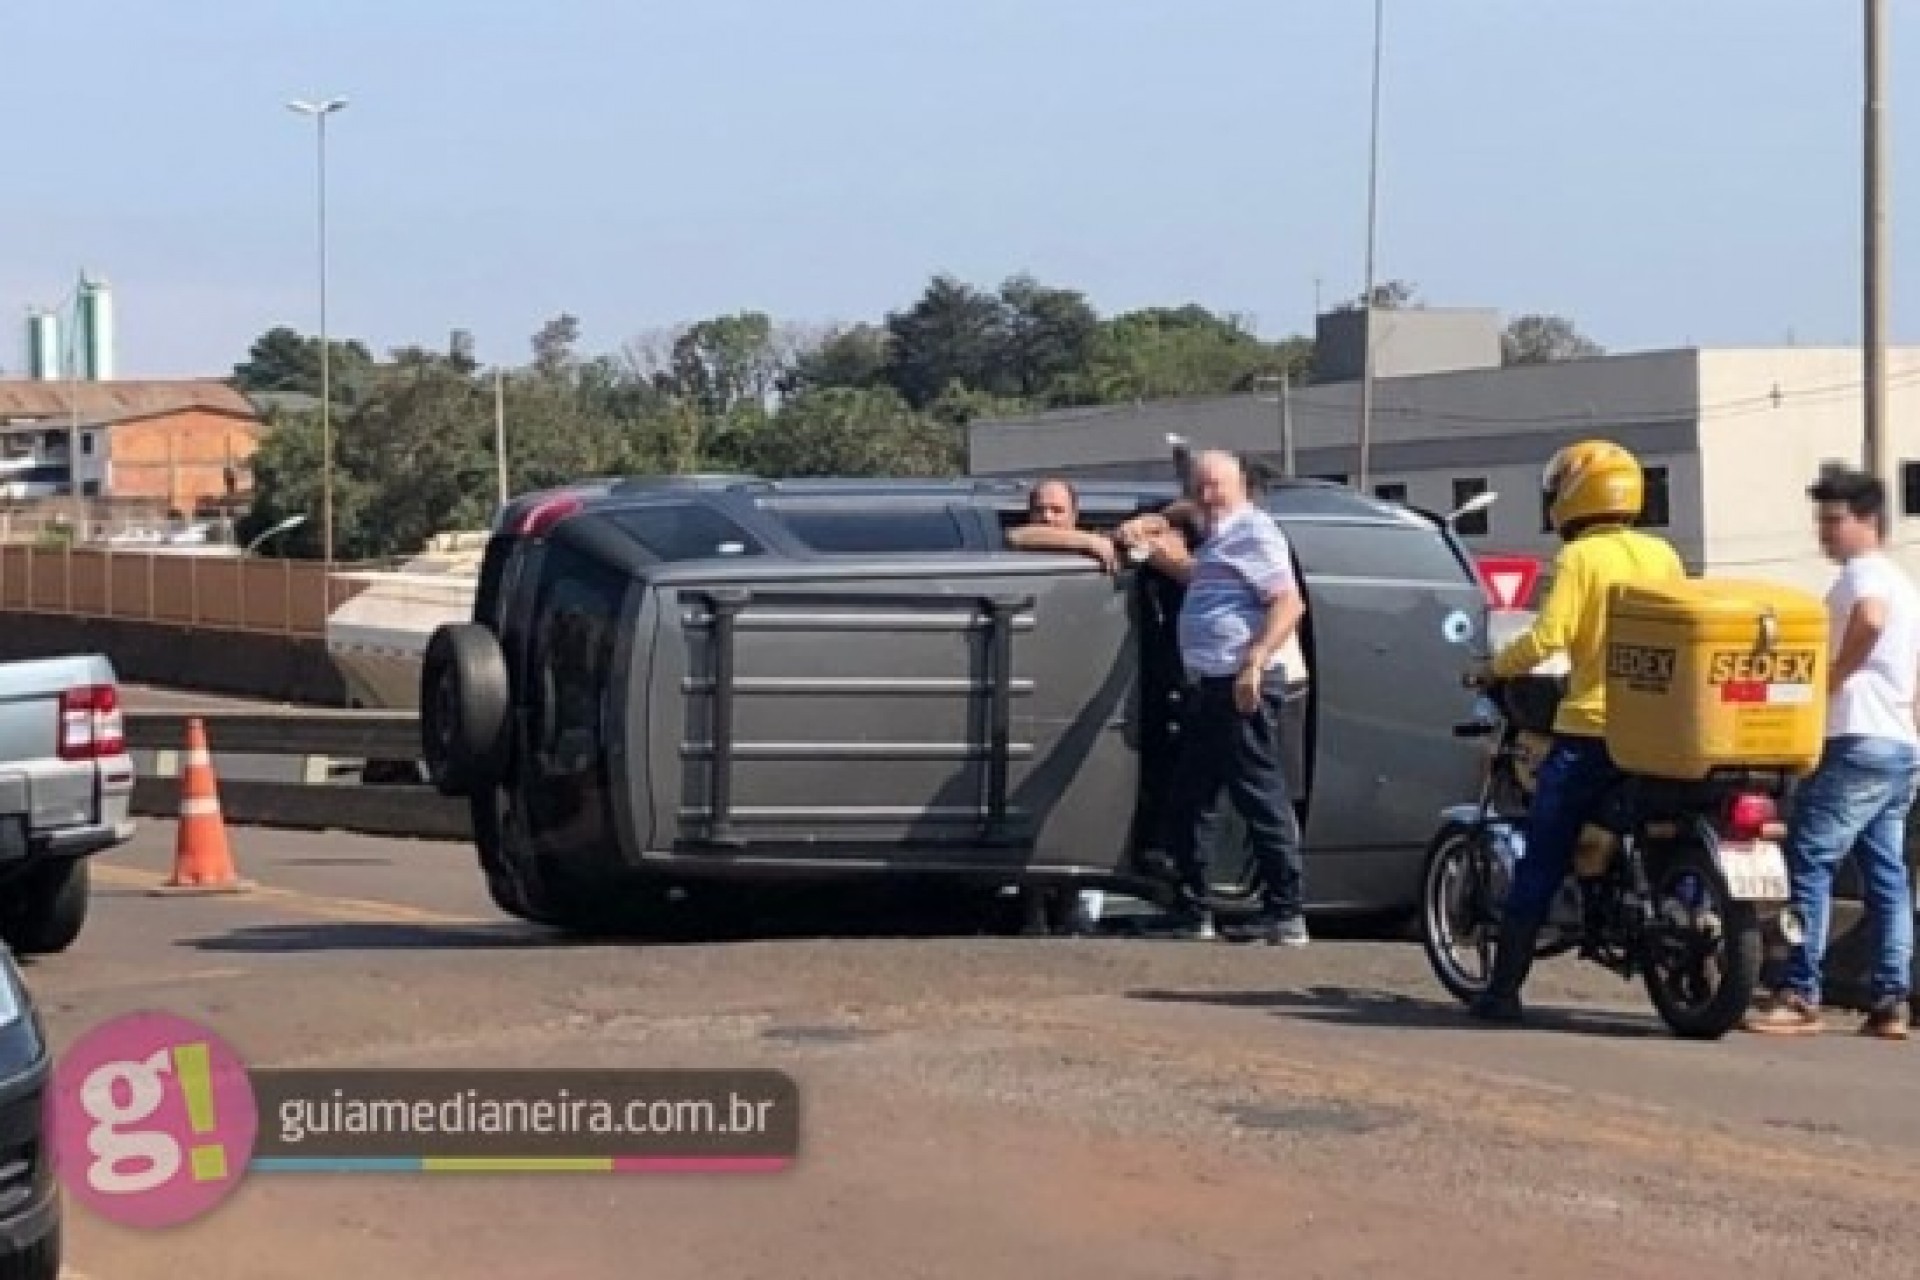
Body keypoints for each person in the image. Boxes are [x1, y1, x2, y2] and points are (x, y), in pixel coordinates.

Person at [1469, 439, 1686, 1022]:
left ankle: (1503, 989)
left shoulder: (1578, 560)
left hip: (1592, 728)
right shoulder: (1661, 554)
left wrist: (1492, 668)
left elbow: (1548, 639)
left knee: (1544, 850)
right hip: (1660, 729)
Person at [1744, 469, 1919, 1041]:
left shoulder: (1864, 577)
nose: (1824, 533)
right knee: (1886, 875)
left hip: (1856, 739)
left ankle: (1799, 991)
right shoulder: (1906, 585)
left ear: (1868, 521)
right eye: (1821, 521)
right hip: (1897, 743)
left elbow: (1868, 619)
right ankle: (1891, 1001)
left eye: (1834, 520)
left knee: (1809, 859)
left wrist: (1834, 678)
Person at [1118, 450, 1310, 945]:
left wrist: (1254, 661)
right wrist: (1154, 525)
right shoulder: (1217, 539)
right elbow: (1189, 544)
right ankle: (1192, 909)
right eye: (1200, 486)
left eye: (1216, 486)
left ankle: (1286, 913)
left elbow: (1288, 602)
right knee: (1191, 801)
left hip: (1237, 684)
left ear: (1242, 485)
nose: (1206, 495)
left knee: (1258, 795)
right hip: (1209, 685)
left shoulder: (1254, 533)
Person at [1004, 478, 1118, 573]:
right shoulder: (1020, 539)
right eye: (1039, 510)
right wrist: (1088, 541)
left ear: (1074, 515)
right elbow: (1017, 536)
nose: (1047, 517)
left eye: (1057, 510)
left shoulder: (1099, 546)